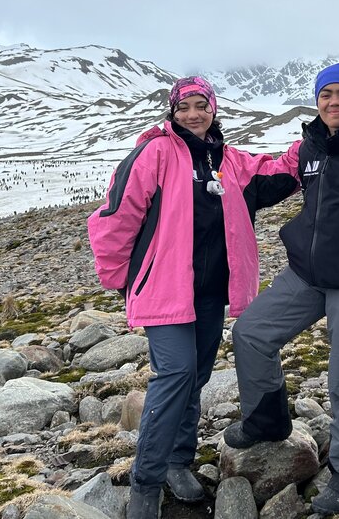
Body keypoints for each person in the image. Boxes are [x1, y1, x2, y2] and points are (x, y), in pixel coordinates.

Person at [87, 76, 299, 519]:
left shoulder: (229, 160)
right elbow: (116, 215)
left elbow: (277, 173)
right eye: (184, 107)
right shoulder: (155, 153)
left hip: (207, 293)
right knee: (175, 375)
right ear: (172, 111)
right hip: (165, 290)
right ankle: (147, 481)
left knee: (196, 375)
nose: (193, 114)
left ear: (214, 108)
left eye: (201, 105)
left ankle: (179, 461)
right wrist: (119, 278)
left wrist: (315, 140)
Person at [223, 62, 339, 517]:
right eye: (325, 95)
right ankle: (267, 422)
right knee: (251, 333)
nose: (333, 102)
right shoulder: (311, 147)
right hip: (307, 273)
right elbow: (262, 185)